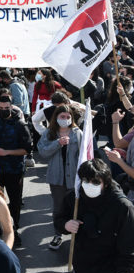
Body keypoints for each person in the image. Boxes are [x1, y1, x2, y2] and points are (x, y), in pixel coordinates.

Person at [55, 159, 134, 273]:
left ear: (105, 183)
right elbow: (59, 219)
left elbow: (129, 244)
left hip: (110, 269)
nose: (89, 185)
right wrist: (66, 225)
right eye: (85, 181)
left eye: (96, 182)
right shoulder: (74, 198)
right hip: (81, 266)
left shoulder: (122, 206)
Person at [0, 95, 32, 245]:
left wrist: (7, 152)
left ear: (12, 108)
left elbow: (26, 149)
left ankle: (14, 229)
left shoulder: (20, 125)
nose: (4, 110)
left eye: (7, 108)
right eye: (1, 108)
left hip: (14, 170)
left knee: (15, 201)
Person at [36, 104, 81, 250]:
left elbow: (83, 155)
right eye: (62, 117)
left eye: (68, 117)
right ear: (56, 117)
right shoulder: (49, 133)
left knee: (77, 206)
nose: (65, 119)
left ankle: (78, 236)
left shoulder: (77, 133)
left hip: (74, 177)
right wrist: (57, 144)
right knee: (58, 207)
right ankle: (58, 234)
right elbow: (42, 152)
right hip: (57, 178)